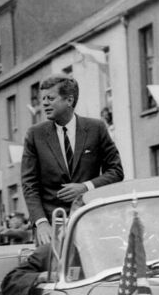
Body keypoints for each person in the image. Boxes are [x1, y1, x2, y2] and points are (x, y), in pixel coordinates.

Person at [21, 74, 124, 244]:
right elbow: (29, 185)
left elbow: (116, 171)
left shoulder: (96, 128)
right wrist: (41, 223)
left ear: (69, 100)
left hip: (91, 220)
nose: (44, 103)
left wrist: (85, 187)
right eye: (43, 98)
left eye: (50, 98)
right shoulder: (35, 135)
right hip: (51, 228)